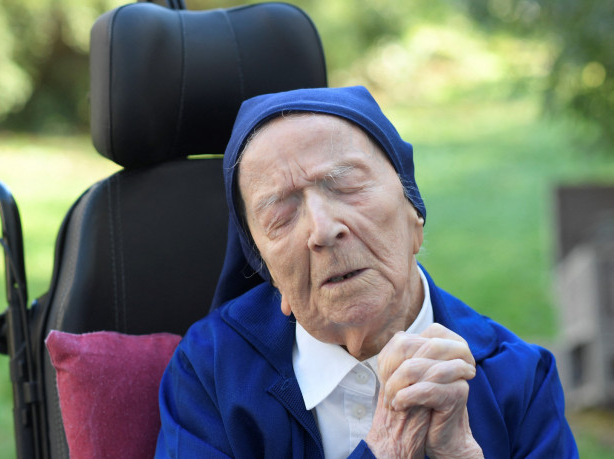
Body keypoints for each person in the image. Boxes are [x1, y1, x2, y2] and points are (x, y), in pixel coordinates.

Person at [154, 86, 577, 458]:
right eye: (281, 214)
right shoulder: (212, 371)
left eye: (346, 185)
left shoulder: (518, 378)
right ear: (269, 273)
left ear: (415, 214)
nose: (322, 229)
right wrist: (385, 448)